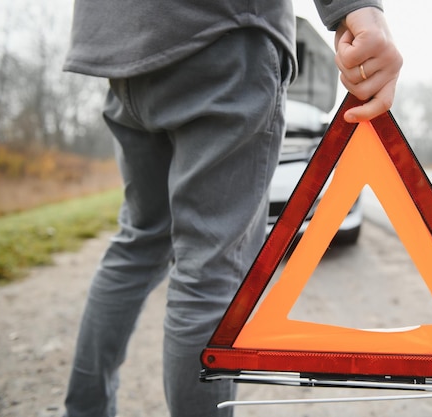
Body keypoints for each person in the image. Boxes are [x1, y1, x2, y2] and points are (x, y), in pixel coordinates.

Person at [61, 1, 402, 416]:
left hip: (123, 50)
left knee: (137, 243)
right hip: (222, 35)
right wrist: (355, 8)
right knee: (208, 274)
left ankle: (83, 410)